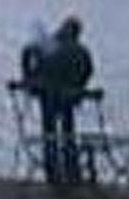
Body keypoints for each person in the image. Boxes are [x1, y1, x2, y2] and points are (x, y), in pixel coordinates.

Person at [27, 14, 95, 185]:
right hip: (66, 96)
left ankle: (54, 167)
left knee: (51, 130)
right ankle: (69, 166)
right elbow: (88, 70)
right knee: (66, 128)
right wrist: (79, 87)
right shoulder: (78, 50)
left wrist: (30, 78)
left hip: (52, 96)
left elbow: (30, 55)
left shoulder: (53, 47)